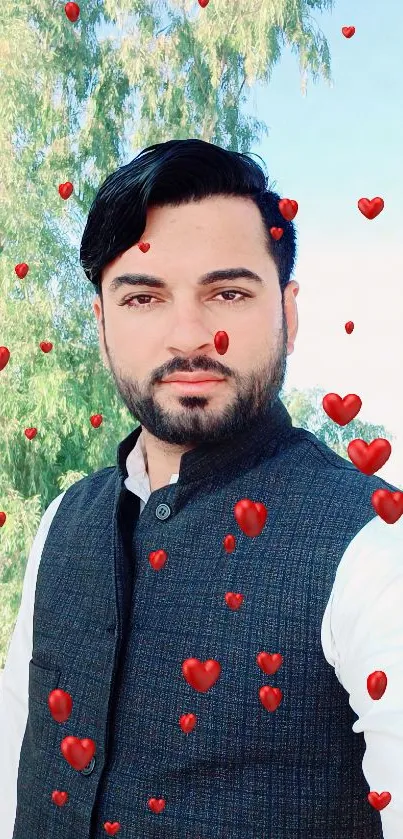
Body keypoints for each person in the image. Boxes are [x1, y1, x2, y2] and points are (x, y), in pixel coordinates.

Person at [1, 138, 402, 839]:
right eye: (144, 297)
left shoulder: (372, 547)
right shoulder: (65, 518)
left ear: (288, 311)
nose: (190, 335)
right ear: (101, 326)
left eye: (227, 292)